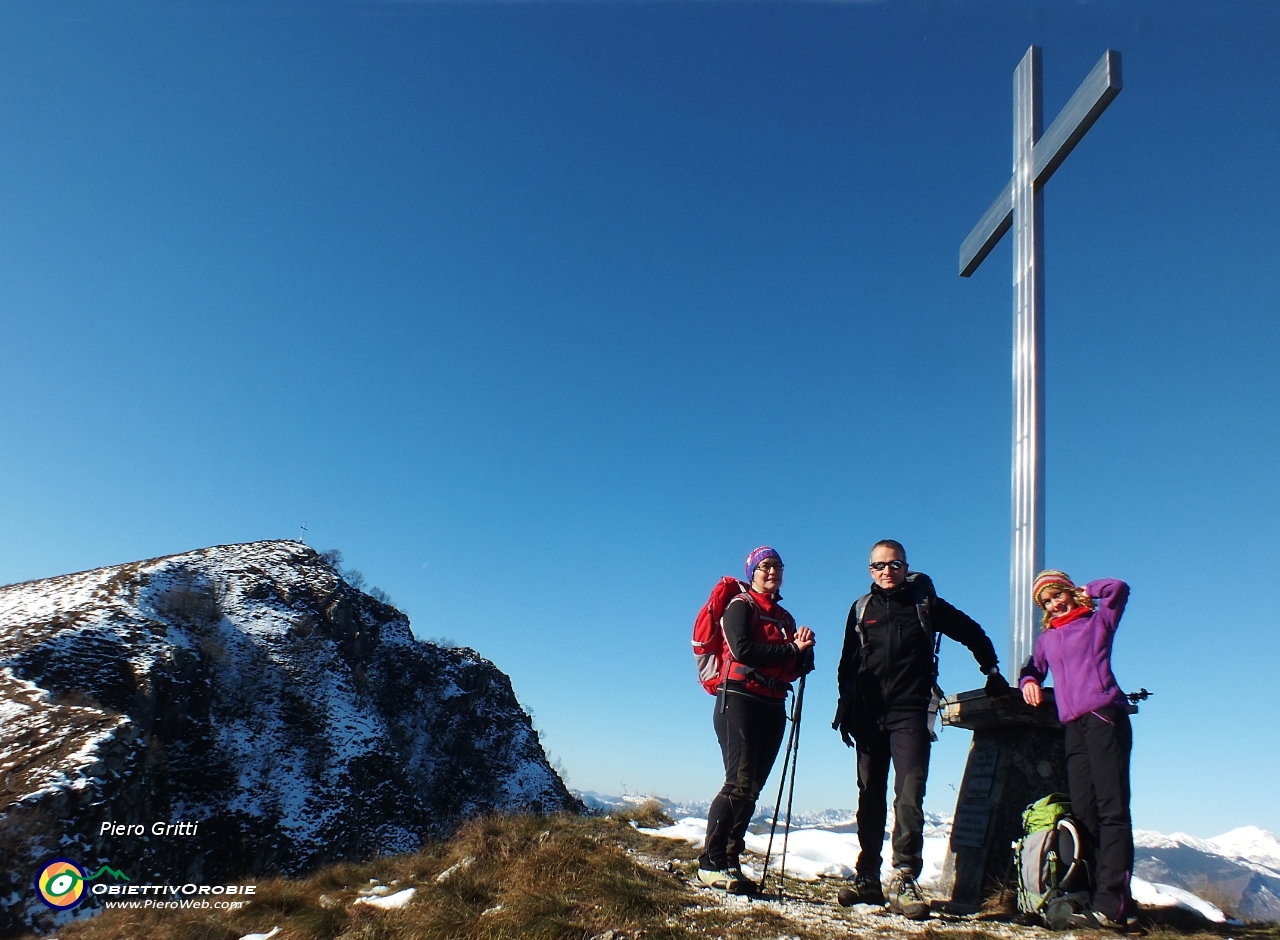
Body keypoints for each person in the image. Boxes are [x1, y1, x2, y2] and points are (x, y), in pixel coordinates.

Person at [833, 539, 1009, 919]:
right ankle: (868, 877)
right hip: (869, 714)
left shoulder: (924, 604)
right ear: (870, 570)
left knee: (909, 795)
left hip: (911, 711)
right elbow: (847, 663)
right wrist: (844, 708)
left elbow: (970, 630)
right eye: (879, 566)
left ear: (905, 566)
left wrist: (991, 670)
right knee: (870, 796)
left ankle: (904, 876)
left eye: (893, 565)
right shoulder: (861, 609)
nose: (886, 571)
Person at [1020, 570, 1135, 930]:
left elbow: (1118, 589)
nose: (1054, 603)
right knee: (1084, 812)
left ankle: (1111, 902)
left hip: (1104, 716)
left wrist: (1086, 590)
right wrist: (1028, 681)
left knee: (1111, 808)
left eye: (1058, 595)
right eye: (1047, 601)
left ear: (1070, 591)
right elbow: (1033, 667)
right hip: (1072, 726)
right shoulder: (1048, 637)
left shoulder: (1098, 621)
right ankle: (1098, 897)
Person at [697, 546, 815, 894]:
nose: (772, 571)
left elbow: (793, 668)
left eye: (777, 566)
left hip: (773, 702)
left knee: (752, 788)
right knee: (739, 782)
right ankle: (710, 861)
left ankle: (730, 859)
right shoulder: (741, 605)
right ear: (752, 572)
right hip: (739, 698)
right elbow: (742, 649)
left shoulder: (786, 618)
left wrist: (805, 652)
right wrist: (793, 650)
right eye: (764, 566)